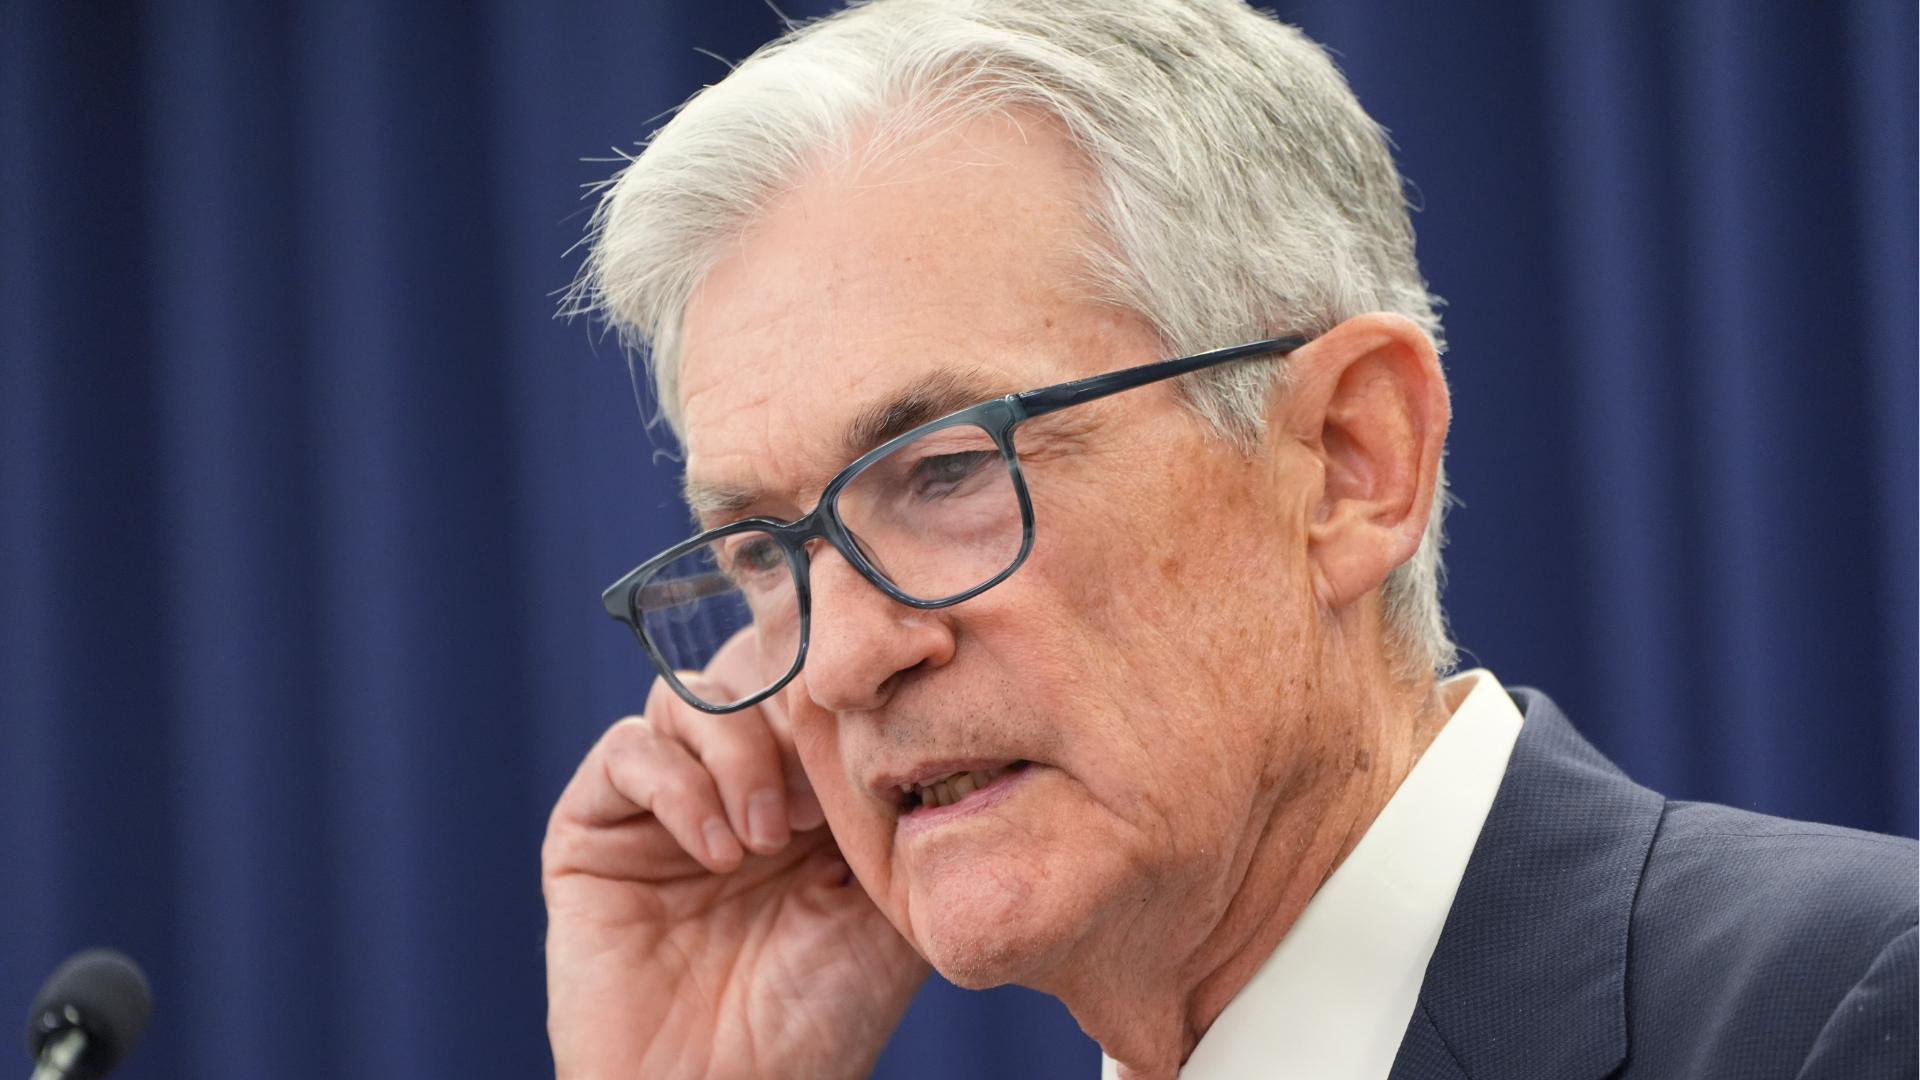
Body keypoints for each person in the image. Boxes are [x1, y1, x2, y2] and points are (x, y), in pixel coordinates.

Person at [541, 2, 1918, 1077]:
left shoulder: (1855, 1015)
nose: (838, 663)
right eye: (764, 553)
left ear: (1345, 464)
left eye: (947, 470)